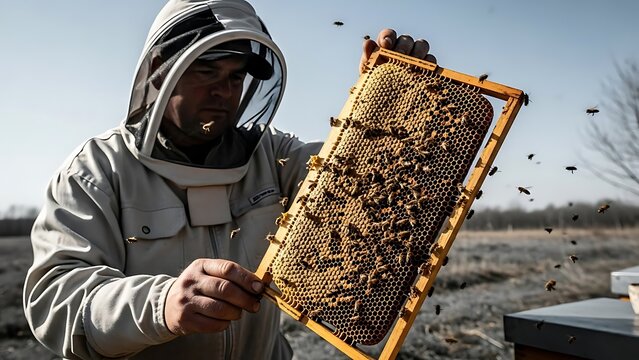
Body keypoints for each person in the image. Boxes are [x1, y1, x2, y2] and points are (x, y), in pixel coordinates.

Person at [22, 0, 436, 359]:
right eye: (206, 72)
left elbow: (359, 177)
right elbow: (56, 302)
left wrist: (389, 102)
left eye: (235, 77)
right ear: (160, 72)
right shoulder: (97, 170)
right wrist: (161, 305)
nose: (223, 91)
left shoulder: (275, 157)